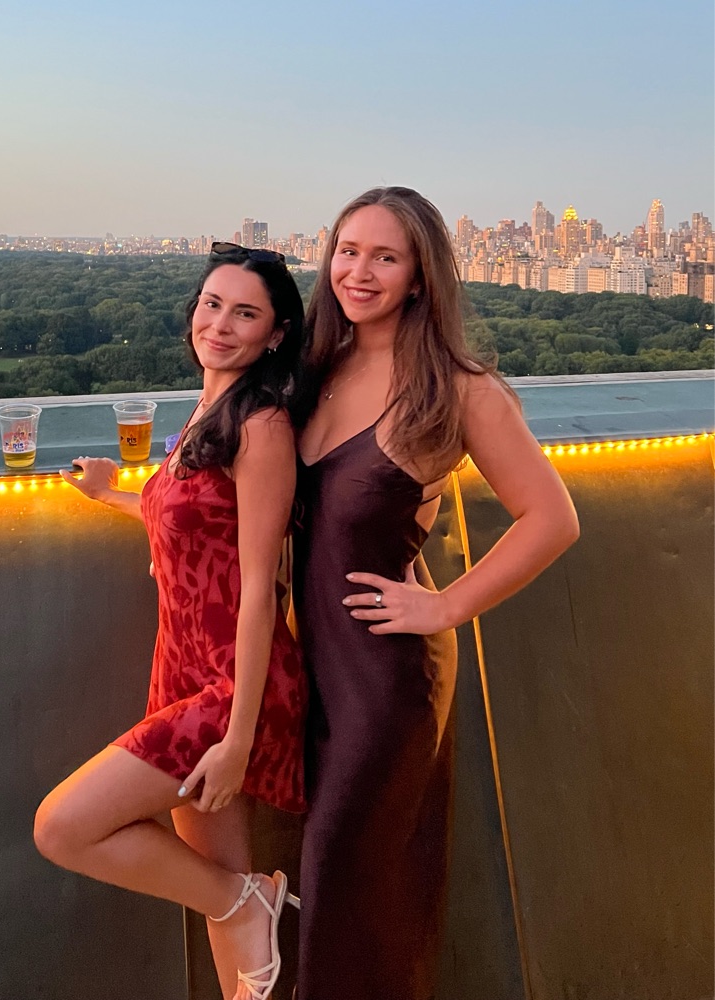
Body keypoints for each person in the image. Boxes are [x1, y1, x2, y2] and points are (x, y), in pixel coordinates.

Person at [291, 187, 580, 999]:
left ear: (420, 276)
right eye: (348, 251)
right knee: (342, 888)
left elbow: (551, 518)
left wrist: (447, 604)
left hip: (386, 681)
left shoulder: (456, 387)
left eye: (384, 257)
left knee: (345, 882)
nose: (358, 271)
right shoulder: (316, 368)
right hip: (306, 670)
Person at [34, 242, 307, 1000]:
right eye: (211, 304)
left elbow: (261, 590)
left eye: (244, 313)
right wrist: (110, 495)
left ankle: (251, 901)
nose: (219, 324)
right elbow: (188, 519)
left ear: (275, 334)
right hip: (180, 669)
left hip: (231, 687)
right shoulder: (207, 411)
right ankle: (244, 910)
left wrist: (239, 737)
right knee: (222, 902)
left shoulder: (261, 426)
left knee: (61, 827)